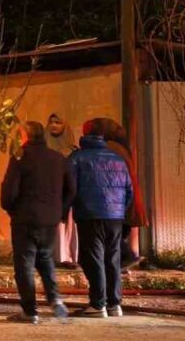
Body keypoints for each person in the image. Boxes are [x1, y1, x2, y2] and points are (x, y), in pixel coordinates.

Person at [1, 121, 76, 324]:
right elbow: (71, 188)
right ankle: (55, 299)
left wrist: (11, 209)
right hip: (50, 219)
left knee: (24, 264)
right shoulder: (58, 159)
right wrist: (59, 210)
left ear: (25, 136)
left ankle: (30, 311)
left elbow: (9, 191)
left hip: (25, 218)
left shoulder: (20, 158)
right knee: (45, 258)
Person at [69, 120, 134, 318]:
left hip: (89, 214)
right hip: (115, 216)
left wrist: (68, 207)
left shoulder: (77, 158)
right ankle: (114, 304)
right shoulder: (117, 159)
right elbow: (129, 190)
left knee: (93, 257)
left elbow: (69, 187)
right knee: (112, 258)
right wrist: (119, 209)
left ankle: (98, 304)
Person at [88, 116, 146, 268]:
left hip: (116, 202)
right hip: (122, 201)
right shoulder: (119, 148)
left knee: (109, 236)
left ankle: (125, 257)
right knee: (112, 238)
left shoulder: (110, 149)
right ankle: (121, 263)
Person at [45, 113, 80, 267]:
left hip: (67, 193)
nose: (54, 125)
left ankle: (67, 257)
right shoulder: (43, 148)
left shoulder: (73, 151)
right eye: (51, 122)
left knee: (67, 225)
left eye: (58, 122)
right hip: (49, 193)